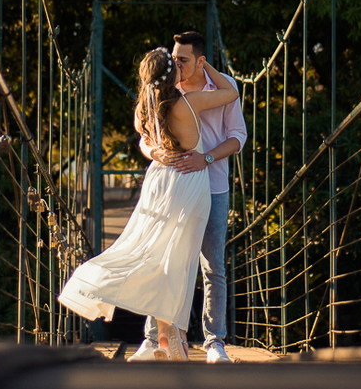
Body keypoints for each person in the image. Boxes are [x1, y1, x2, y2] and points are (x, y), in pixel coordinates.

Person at [57, 46, 239, 361]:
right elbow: (230, 92)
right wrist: (204, 67)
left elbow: (145, 139)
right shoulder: (189, 103)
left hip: (159, 182)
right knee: (180, 263)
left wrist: (155, 152)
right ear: (174, 73)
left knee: (159, 258)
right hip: (190, 183)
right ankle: (173, 337)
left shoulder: (145, 107)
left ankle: (168, 337)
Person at [128, 31, 247, 365]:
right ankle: (153, 340)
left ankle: (214, 344)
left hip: (214, 185)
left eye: (183, 60)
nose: (177, 65)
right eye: (174, 59)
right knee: (166, 263)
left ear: (201, 61)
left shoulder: (220, 92)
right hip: (177, 186)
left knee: (213, 267)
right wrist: (155, 152)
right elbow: (144, 137)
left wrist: (206, 158)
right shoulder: (169, 90)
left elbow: (238, 136)